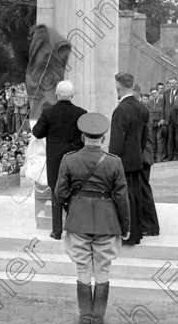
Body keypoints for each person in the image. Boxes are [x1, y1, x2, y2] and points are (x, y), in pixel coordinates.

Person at [55, 112, 130, 324]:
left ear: (82, 137)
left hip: (78, 219)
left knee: (82, 268)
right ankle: (98, 318)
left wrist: (76, 202)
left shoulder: (69, 159)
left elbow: (60, 193)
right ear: (103, 138)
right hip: (107, 222)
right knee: (103, 269)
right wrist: (125, 226)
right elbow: (122, 197)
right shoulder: (114, 162)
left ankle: (84, 316)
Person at [32, 80, 87, 240]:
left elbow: (37, 132)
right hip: (75, 159)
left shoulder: (48, 113)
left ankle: (57, 231)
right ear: (72, 95)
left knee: (56, 193)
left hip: (55, 160)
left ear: (56, 94)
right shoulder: (81, 113)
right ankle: (75, 230)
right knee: (74, 192)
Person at [109, 72, 148, 247]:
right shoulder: (141, 107)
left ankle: (128, 234)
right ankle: (136, 233)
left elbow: (117, 140)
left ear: (118, 86)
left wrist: (111, 161)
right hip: (136, 157)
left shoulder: (121, 109)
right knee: (135, 196)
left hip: (123, 160)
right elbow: (144, 137)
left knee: (125, 198)